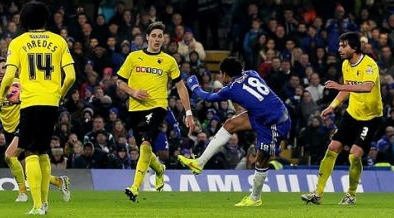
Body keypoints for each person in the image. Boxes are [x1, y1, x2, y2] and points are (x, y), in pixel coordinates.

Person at [0, 1, 76, 215]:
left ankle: (37, 205)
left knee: (29, 152)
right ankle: (45, 203)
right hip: (51, 102)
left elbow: (10, 75)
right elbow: (72, 76)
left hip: (30, 102)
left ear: (24, 20)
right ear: (45, 19)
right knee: (42, 152)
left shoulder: (18, 43)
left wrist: (0, 98)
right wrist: (59, 94)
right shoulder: (58, 41)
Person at [179, 57, 291, 206]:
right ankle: (200, 162)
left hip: (275, 123)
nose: (220, 77)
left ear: (225, 74)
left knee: (261, 160)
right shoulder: (252, 73)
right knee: (230, 124)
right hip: (264, 114)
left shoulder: (231, 89)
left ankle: (255, 198)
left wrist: (194, 87)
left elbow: (209, 97)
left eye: (220, 74)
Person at [301, 32, 382, 205]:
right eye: (339, 45)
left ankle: (351, 195)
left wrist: (340, 85)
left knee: (354, 155)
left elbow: (367, 87)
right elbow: (347, 89)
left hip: (371, 118)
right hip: (352, 114)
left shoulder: (369, 64)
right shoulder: (346, 64)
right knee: (333, 147)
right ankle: (317, 193)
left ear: (354, 47)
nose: (339, 49)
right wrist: (332, 106)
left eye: (344, 45)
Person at [117, 21, 195, 202]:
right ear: (147, 38)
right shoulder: (134, 57)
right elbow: (119, 82)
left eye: (160, 36)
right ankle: (160, 169)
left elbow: (181, 87)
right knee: (144, 148)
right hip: (135, 108)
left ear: (164, 39)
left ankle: (135, 187)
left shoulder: (169, 61)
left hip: (157, 106)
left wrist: (188, 112)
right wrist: (133, 92)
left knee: (145, 143)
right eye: (154, 36)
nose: (157, 39)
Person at [0, 56, 71, 203]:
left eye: (4, 68)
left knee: (9, 156)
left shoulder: (19, 83)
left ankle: (22, 193)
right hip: (8, 128)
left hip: (26, 124)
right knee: (26, 168)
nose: (2, 72)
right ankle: (59, 182)